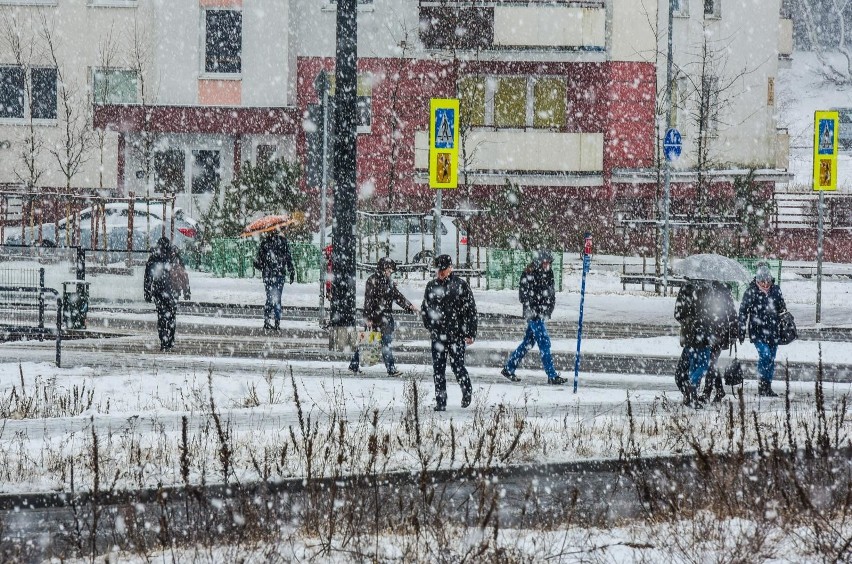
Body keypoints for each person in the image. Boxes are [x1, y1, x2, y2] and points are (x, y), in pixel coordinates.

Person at [421, 254, 478, 411]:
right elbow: (425, 308)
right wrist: (430, 326)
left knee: (457, 366)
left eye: (443, 270)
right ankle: (441, 401)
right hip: (438, 335)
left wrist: (471, 332)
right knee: (438, 369)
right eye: (438, 270)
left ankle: (467, 390)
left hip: (456, 334)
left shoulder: (460, 285)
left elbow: (471, 310)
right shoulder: (431, 286)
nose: (440, 273)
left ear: (450, 268)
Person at [501, 250, 566, 385]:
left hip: (540, 314)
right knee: (544, 342)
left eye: (549, 263)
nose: (548, 265)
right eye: (545, 263)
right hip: (534, 315)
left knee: (528, 343)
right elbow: (523, 295)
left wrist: (548, 308)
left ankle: (509, 368)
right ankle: (551, 375)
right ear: (539, 262)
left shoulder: (548, 273)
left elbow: (551, 293)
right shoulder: (529, 273)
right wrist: (535, 308)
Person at [349, 257, 418, 377]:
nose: (391, 271)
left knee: (370, 342)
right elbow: (368, 301)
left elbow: (398, 297)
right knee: (377, 343)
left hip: (385, 318)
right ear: (384, 268)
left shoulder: (387, 281)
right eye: (389, 269)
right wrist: (368, 318)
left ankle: (354, 365)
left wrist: (410, 306)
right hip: (376, 318)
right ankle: (390, 369)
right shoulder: (373, 280)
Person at [674, 278, 735, 407]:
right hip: (707, 335)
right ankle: (695, 391)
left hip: (694, 335)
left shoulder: (688, 288)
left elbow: (678, 314)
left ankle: (695, 393)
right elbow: (720, 314)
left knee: (700, 364)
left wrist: (690, 322)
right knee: (705, 363)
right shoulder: (711, 290)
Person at [738, 263, 787, 397]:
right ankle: (762, 384)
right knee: (765, 355)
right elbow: (743, 311)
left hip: (773, 330)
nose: (766, 284)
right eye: (763, 282)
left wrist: (785, 319)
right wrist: (741, 329)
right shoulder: (751, 291)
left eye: (768, 281)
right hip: (758, 331)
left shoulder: (776, 290)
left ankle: (768, 386)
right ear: (758, 280)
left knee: (771, 358)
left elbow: (782, 308)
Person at [144, 236, 190, 351]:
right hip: (173, 291)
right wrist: (186, 290)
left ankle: (164, 341)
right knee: (171, 316)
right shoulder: (174, 256)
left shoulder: (155, 257)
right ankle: (169, 340)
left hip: (159, 291)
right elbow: (183, 274)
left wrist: (147, 291)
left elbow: (148, 276)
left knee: (161, 317)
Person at [253, 228, 295, 330]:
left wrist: (261, 265)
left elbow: (259, 261)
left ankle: (267, 320)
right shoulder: (283, 242)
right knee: (277, 297)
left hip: (268, 274)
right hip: (279, 273)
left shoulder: (265, 243)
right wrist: (291, 270)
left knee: (270, 297)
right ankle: (276, 321)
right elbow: (288, 257)